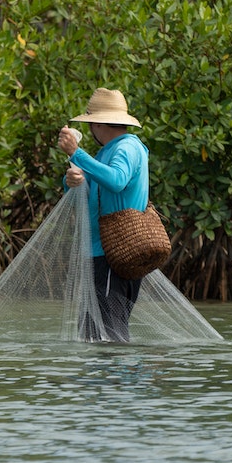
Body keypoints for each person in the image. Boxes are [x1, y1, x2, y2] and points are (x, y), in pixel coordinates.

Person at [57, 87, 150, 342]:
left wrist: (76, 153)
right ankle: (103, 381)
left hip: (112, 254)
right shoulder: (105, 152)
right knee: (91, 332)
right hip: (102, 253)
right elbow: (91, 190)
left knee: (108, 334)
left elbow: (118, 180)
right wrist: (72, 180)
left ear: (97, 124)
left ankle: (116, 381)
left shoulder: (127, 147)